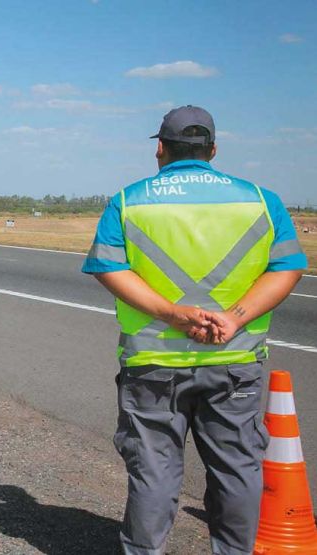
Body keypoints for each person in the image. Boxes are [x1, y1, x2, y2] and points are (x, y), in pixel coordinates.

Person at [83, 106, 307, 555]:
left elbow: (109, 268)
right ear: (213, 150)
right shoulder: (261, 200)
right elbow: (287, 268)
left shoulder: (129, 201)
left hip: (154, 363)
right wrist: (236, 316)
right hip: (235, 361)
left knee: (154, 472)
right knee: (237, 469)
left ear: (160, 148)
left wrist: (171, 314)